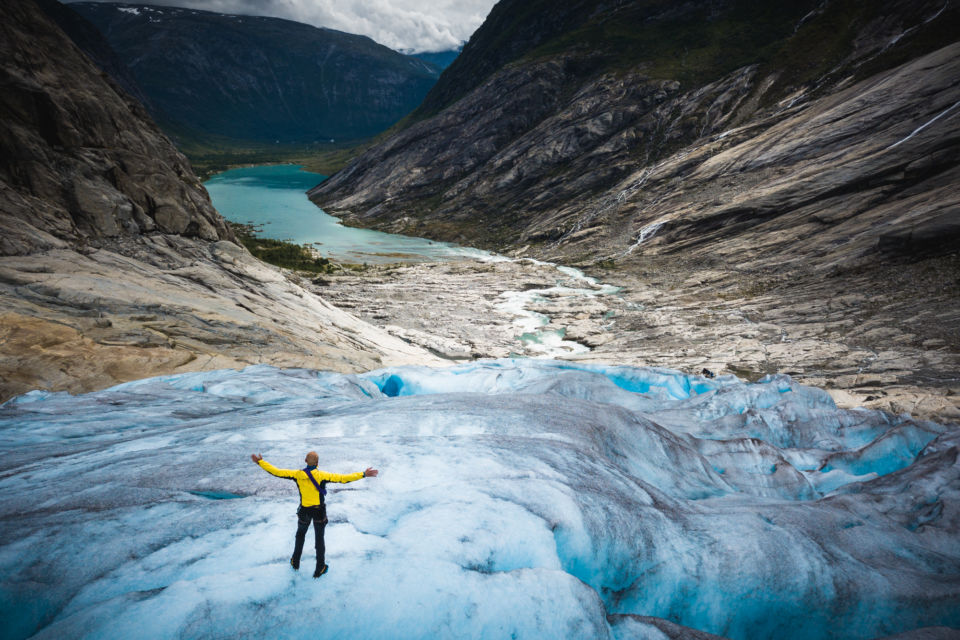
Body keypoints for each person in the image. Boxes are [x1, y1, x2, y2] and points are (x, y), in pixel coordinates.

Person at [251, 451, 378, 578]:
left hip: (304, 511)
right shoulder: (322, 475)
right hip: (319, 512)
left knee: (300, 535)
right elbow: (343, 478)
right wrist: (363, 474)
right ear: (317, 463)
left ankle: (295, 562)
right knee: (319, 540)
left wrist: (261, 462)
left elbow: (276, 472)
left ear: (305, 461)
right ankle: (320, 568)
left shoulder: (297, 474)